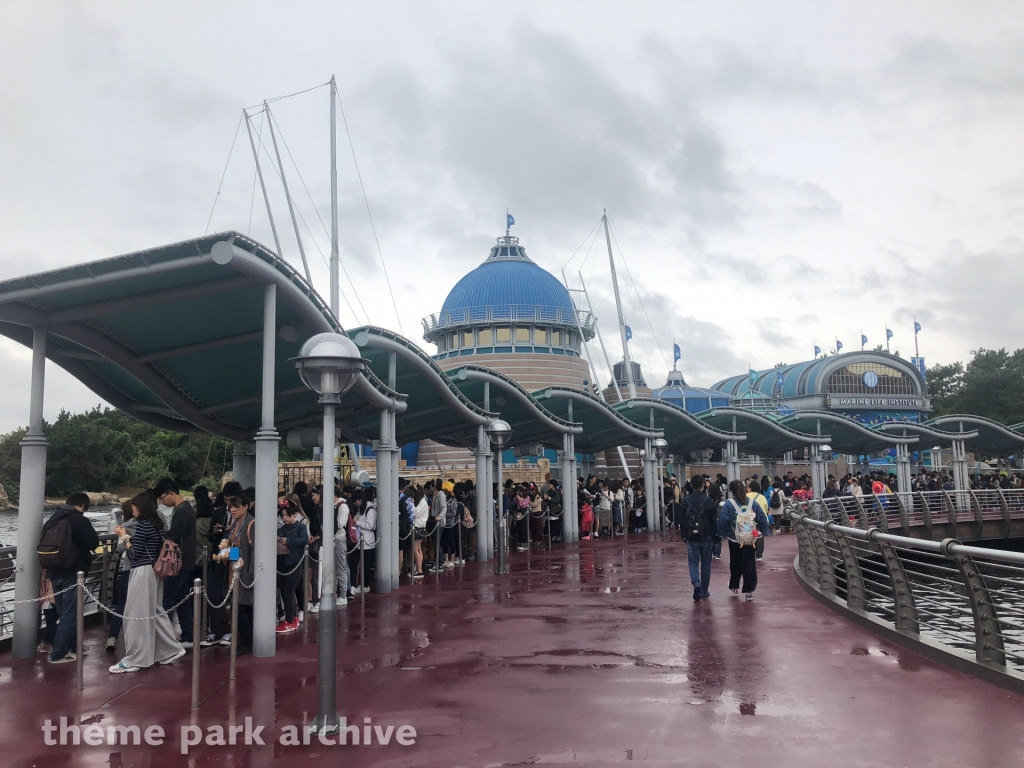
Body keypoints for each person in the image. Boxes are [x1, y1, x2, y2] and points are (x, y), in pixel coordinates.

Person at [109, 493, 186, 673]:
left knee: (136, 613)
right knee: (155, 610)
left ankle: (136, 658)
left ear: (140, 508)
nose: (133, 510)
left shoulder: (143, 526)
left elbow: (135, 554)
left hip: (142, 571)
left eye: (134, 507)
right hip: (154, 571)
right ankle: (170, 649)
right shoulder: (157, 526)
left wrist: (124, 537)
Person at [39, 492, 99, 664]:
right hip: (74, 573)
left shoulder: (52, 519)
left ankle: (74, 646)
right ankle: (58, 653)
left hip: (52, 571)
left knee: (63, 611)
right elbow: (93, 542)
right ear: (82, 506)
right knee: (70, 614)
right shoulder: (80, 520)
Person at [153, 478, 197, 648]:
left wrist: (160, 535)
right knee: (182, 600)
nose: (163, 502)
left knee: (168, 600)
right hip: (186, 561)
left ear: (171, 494)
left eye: (163, 498)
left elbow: (174, 535)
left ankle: (165, 639)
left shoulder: (181, 511)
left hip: (177, 562)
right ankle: (187, 636)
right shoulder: (186, 509)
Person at [718, 480, 769, 601]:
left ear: (731, 491)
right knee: (749, 564)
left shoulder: (729, 504)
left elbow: (722, 520)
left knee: (735, 563)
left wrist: (723, 534)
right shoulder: (752, 503)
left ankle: (734, 585)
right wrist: (763, 532)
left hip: (734, 539)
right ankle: (749, 591)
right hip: (750, 539)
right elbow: (762, 518)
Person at [106, 500, 138, 651]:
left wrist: (123, 536)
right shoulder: (150, 525)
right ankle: (138, 638)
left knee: (121, 603)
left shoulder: (125, 527)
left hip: (128, 568)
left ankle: (112, 636)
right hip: (145, 570)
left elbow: (119, 548)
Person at [681, 475, 718, 601]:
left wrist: (684, 535)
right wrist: (716, 537)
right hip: (707, 536)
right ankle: (704, 590)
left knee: (692, 562)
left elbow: (682, 520)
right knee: (706, 563)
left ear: (691, 485)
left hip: (691, 536)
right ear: (703, 485)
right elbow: (714, 521)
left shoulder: (686, 500)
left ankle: (696, 583)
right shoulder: (709, 501)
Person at [275, 498, 309, 633]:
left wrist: (288, 540)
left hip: (295, 563)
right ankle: (291, 617)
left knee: (288, 592)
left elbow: (304, 540)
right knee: (285, 591)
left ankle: (291, 620)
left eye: (287, 515)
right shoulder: (281, 529)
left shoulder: (300, 527)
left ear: (294, 514)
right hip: (283, 563)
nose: (284, 518)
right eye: (283, 515)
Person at [354, 487, 378, 588]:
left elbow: (370, 525)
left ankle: (366, 585)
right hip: (360, 540)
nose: (355, 503)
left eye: (356, 501)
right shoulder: (361, 509)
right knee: (360, 564)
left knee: (366, 565)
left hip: (368, 541)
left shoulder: (370, 510)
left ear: (360, 500)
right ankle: (361, 583)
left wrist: (357, 522)